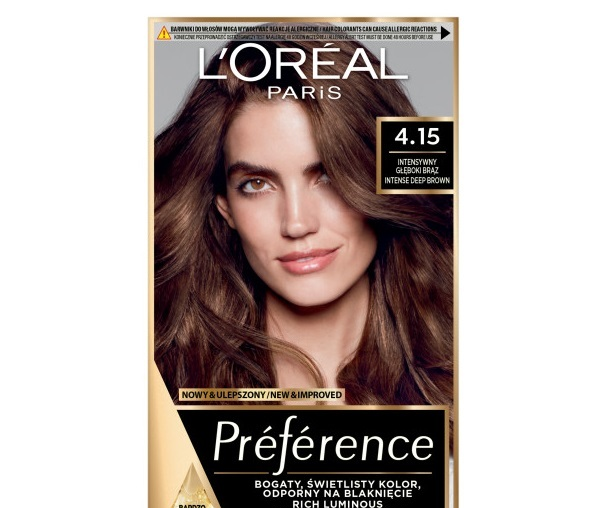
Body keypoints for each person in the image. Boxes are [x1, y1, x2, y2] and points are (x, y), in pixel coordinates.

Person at [155, 34, 453, 407]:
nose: (296, 224)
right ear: (225, 206)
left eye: (328, 177)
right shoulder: (162, 388)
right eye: (256, 184)